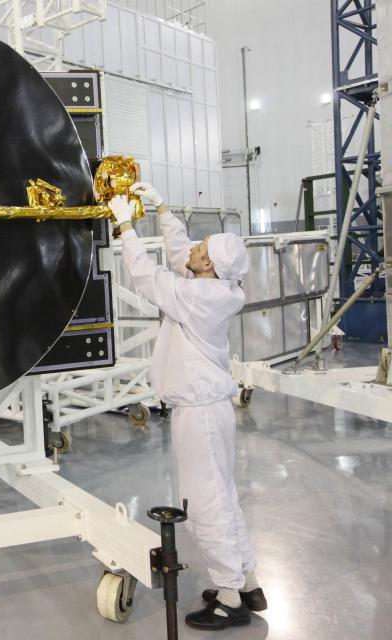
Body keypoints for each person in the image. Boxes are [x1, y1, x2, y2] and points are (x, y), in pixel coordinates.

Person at [108, 185, 267, 630]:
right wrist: (160, 209)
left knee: (205, 503)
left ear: (210, 265)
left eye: (202, 248)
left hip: (198, 411)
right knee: (224, 494)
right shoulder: (214, 286)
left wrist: (125, 225)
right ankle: (245, 579)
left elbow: (146, 275)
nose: (193, 247)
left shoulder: (199, 298)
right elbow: (180, 255)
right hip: (208, 407)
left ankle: (230, 598)